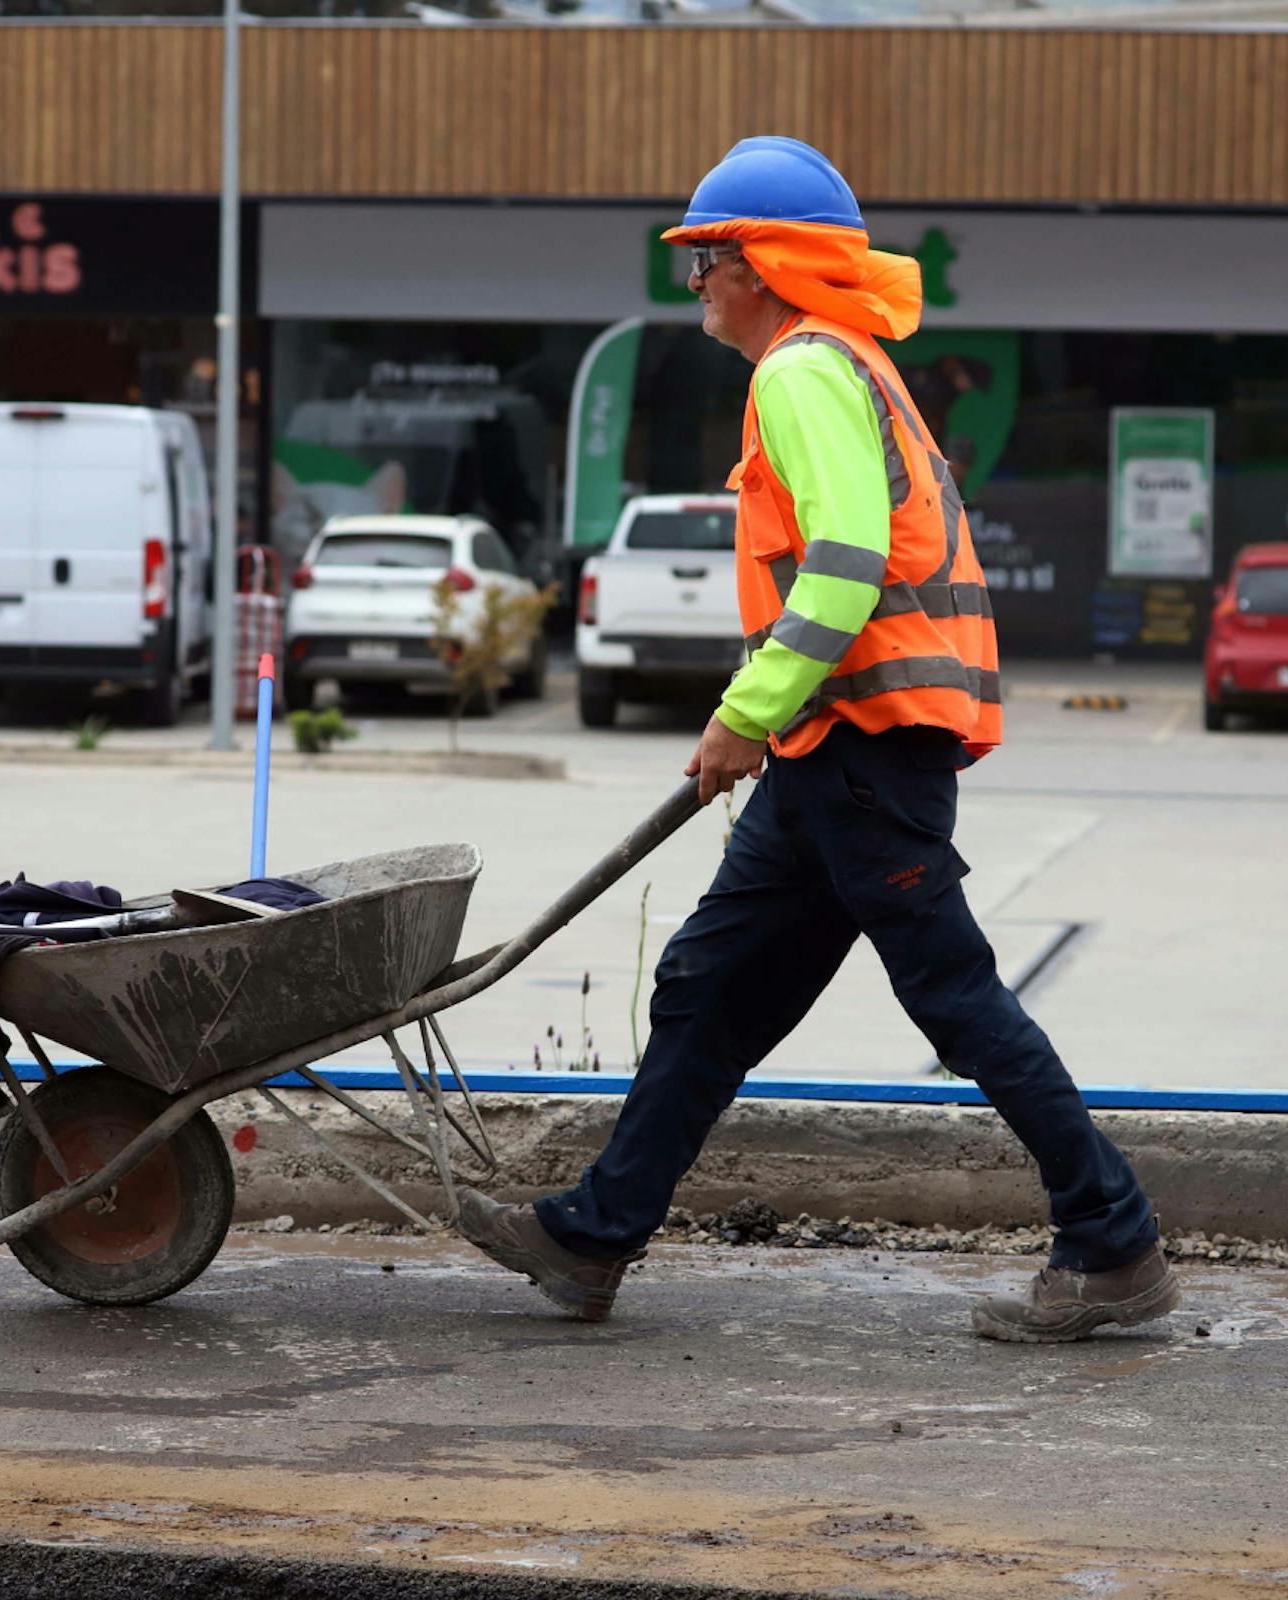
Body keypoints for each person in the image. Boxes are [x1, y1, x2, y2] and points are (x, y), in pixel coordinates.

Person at [457, 137, 1179, 1344]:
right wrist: (769, 723)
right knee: (705, 985)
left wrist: (744, 714)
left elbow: (844, 566)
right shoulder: (848, 364)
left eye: (706, 263)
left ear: (763, 265)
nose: (696, 287)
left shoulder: (798, 371)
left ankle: (1112, 1242)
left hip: (862, 747)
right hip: (835, 749)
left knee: (951, 994)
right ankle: (591, 1238)